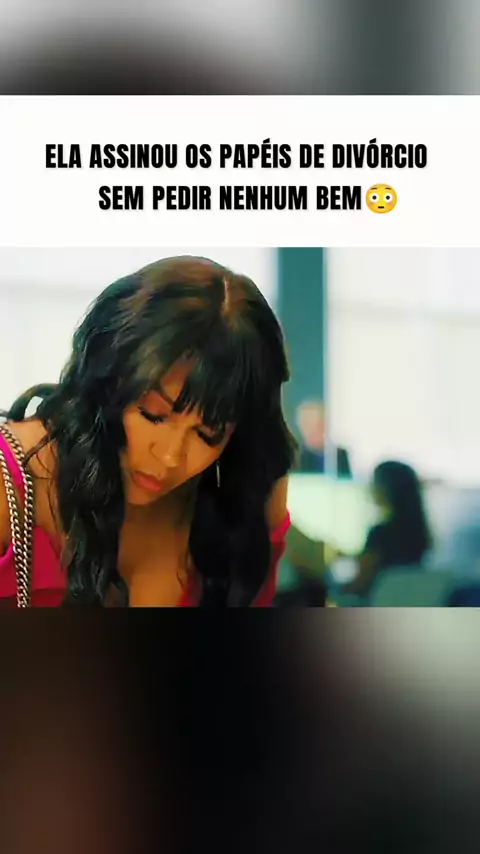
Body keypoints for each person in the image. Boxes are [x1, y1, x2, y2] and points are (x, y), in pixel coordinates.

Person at [0, 256, 296, 607]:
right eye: (153, 415)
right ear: (108, 381)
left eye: (207, 434)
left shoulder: (244, 500)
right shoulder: (9, 486)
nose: (170, 456)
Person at [338, 460, 432, 597]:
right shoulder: (420, 535)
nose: (370, 488)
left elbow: (360, 584)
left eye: (375, 482)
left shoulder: (379, 535)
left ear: (387, 489)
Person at [295, 400, 351, 476]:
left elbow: (346, 480)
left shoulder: (339, 455)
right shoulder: (295, 457)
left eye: (312, 424)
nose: (308, 430)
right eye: (304, 424)